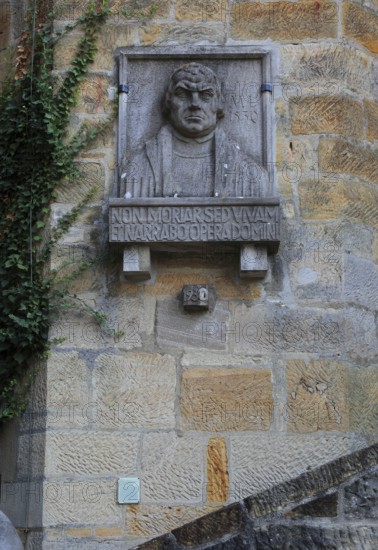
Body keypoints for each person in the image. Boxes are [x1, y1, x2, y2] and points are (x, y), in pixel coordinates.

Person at [123, 63, 268, 198]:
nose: (194, 104)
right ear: (169, 102)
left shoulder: (250, 174)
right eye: (183, 94)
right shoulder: (137, 170)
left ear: (218, 104)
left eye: (205, 96)